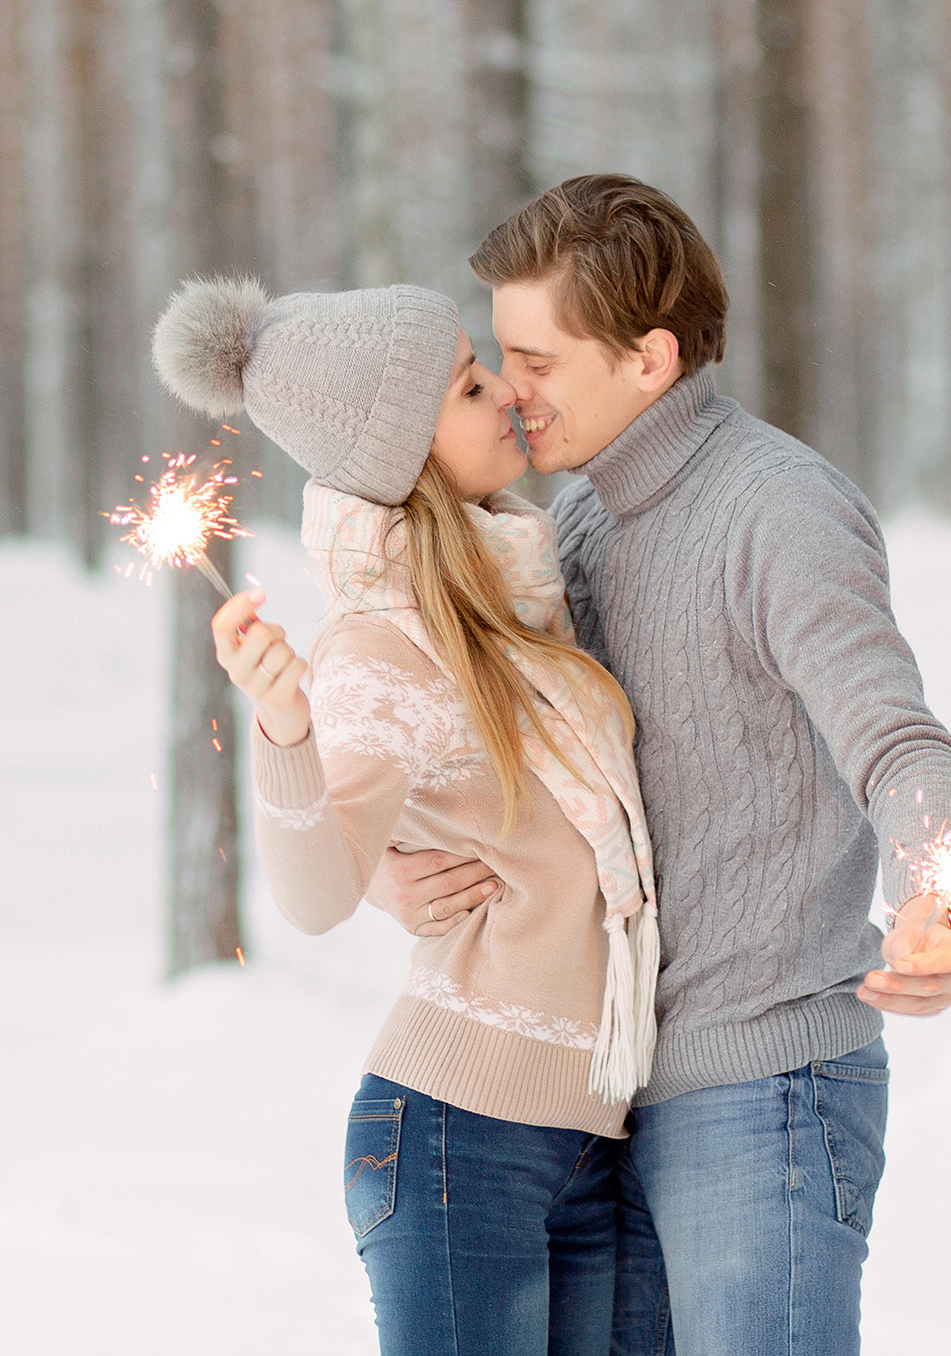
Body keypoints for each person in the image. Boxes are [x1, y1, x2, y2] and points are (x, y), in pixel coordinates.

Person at [369, 174, 951, 1356]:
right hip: (604, 1101)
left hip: (763, 1087)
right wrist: (402, 861)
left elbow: (900, 740)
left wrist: (931, 895)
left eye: (537, 359)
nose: (510, 392)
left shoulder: (778, 510)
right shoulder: (579, 523)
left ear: (649, 358)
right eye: (498, 357)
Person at [151, 277, 664, 1356]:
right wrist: (288, 731)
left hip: (591, 1131)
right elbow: (313, 894)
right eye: (471, 386)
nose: (505, 396)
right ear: (406, 454)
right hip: (457, 1145)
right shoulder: (383, 648)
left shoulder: (516, 595)